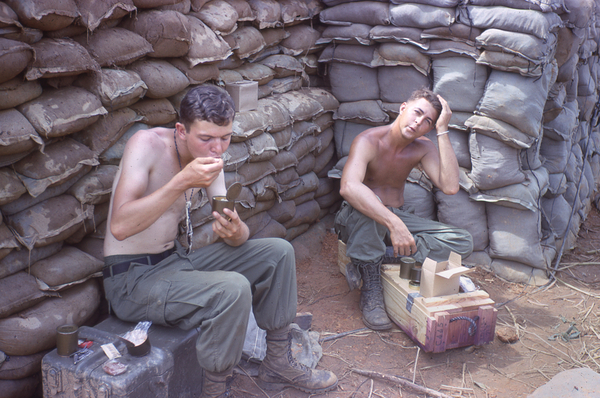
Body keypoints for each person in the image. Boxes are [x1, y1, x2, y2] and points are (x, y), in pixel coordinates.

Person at [103, 84, 338, 397]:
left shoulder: (212, 161)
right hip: (131, 280)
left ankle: (278, 363)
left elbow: (235, 235)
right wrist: (180, 183)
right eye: (206, 139)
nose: (217, 149)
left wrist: (237, 228)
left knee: (278, 252)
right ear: (181, 130)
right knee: (232, 288)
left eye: (224, 138)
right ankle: (215, 390)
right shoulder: (146, 145)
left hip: (173, 264)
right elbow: (120, 226)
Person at [334, 88, 474, 331]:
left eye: (427, 121)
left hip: (396, 217)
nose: (418, 122)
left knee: (462, 241)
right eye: (416, 113)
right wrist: (394, 224)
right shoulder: (369, 140)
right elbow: (348, 187)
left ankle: (381, 256)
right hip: (359, 217)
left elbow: (450, 186)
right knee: (372, 209)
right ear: (403, 108)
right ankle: (371, 288)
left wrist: (442, 130)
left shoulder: (423, 147)